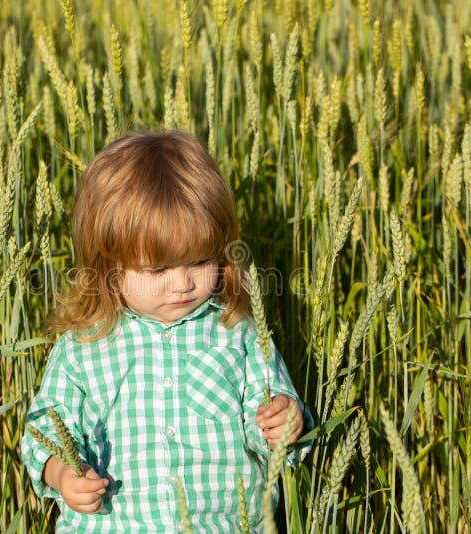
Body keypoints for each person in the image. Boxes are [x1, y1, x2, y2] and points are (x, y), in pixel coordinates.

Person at [21, 131, 311, 531]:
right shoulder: (83, 345)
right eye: (157, 269)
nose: (181, 284)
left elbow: (271, 418)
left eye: (199, 261)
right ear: (108, 265)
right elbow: (43, 432)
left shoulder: (238, 333)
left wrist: (285, 422)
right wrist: (63, 475)